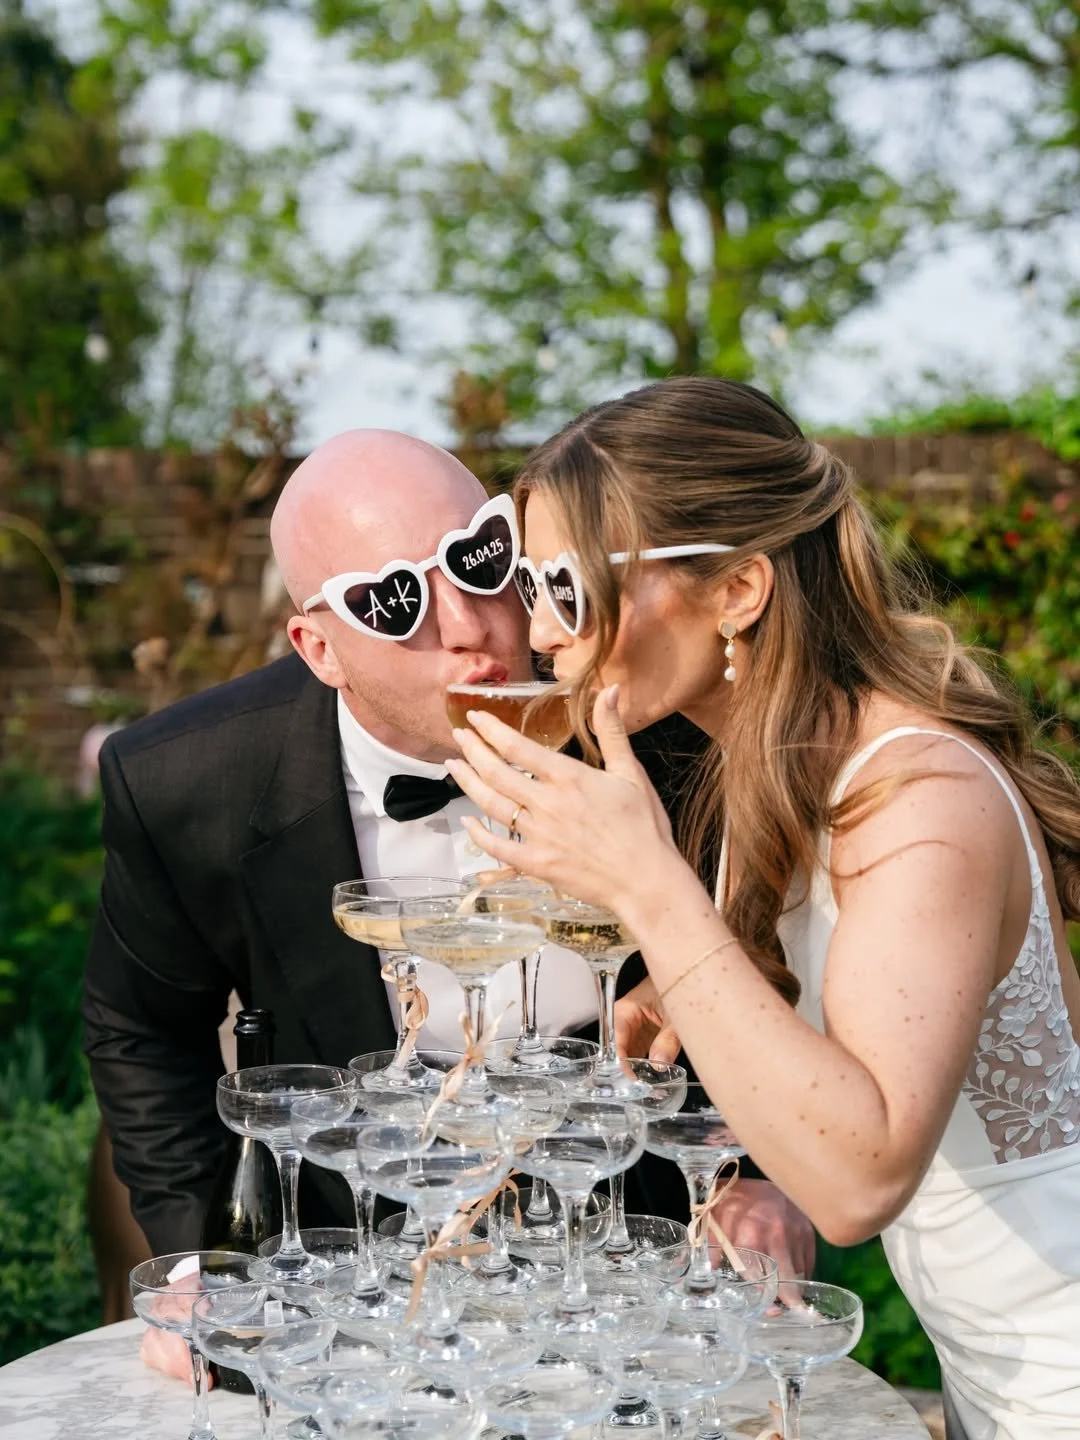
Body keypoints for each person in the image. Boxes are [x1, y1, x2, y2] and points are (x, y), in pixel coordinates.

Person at [82, 427, 812, 1380]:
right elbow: (139, 1029)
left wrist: (763, 1174)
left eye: (480, 560)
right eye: (394, 603)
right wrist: (194, 1261)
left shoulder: (666, 720)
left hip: (639, 1251)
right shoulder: (187, 781)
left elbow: (765, 950)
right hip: (367, 1275)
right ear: (319, 647)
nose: (470, 624)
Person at [443, 378, 1080, 1440]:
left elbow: (858, 1177)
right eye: (528, 583)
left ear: (738, 588)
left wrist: (650, 889)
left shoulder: (922, 794)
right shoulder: (778, 767)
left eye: (570, 583)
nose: (540, 631)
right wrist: (671, 990)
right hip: (987, 1380)